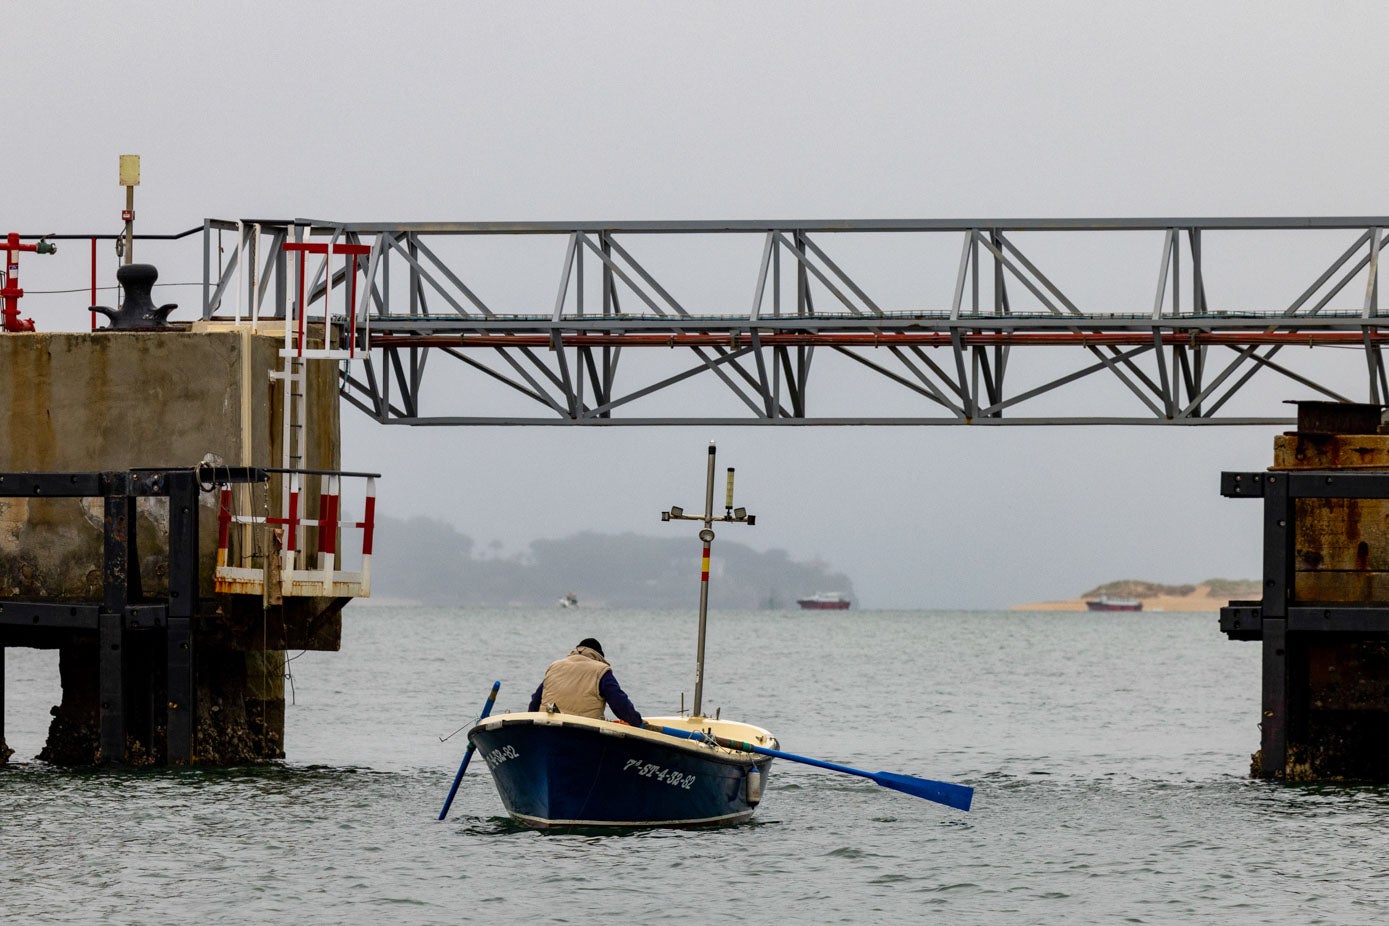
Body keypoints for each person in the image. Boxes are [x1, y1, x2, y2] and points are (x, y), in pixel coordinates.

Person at [528, 637, 643, 727]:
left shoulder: (555, 667)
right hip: (584, 732)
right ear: (599, 656)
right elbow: (620, 704)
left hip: (547, 727)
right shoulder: (600, 670)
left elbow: (535, 702)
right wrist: (637, 722)